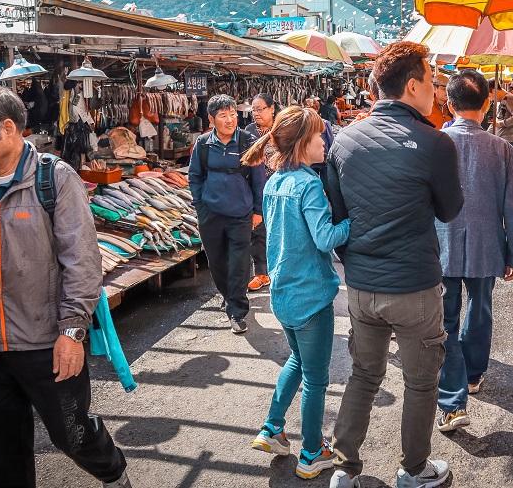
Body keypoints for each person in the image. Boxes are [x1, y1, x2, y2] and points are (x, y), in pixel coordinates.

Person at [0, 85, 130, 488]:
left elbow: (82, 260)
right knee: (1, 447)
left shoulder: (54, 179)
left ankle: (113, 472)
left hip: (47, 341)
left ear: (7, 128)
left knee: (72, 434)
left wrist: (71, 331)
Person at [326, 41, 464, 488]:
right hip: (414, 286)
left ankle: (344, 469)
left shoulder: (344, 140)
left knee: (363, 374)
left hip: (362, 286)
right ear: (411, 86)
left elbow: (336, 214)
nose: (437, 90)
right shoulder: (434, 141)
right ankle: (413, 469)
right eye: (431, 80)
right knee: (421, 382)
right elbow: (449, 209)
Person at [242, 106, 350, 479]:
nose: (325, 140)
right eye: (320, 135)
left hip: (283, 294)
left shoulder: (274, 182)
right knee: (316, 380)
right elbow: (326, 239)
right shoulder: (308, 185)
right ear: (304, 143)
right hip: (312, 297)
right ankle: (310, 452)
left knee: (297, 361)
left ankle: (272, 428)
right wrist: (355, 219)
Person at [434, 70, 513, 432]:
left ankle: (452, 400)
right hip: (488, 244)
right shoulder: (502, 148)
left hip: (441, 243)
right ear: (487, 104)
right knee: (480, 309)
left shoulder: (435, 143)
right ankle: (472, 375)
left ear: (449, 104)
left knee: (446, 320)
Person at [189, 94, 266, 335]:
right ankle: (229, 295)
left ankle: (237, 310)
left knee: (240, 263)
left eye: (233, 114)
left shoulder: (247, 141)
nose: (230, 119)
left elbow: (258, 179)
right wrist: (200, 204)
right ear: (211, 119)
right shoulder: (202, 144)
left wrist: (257, 211)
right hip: (210, 213)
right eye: (223, 115)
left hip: (241, 213)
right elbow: (195, 177)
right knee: (217, 262)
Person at [245, 93, 276, 292]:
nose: (256, 114)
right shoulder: (248, 132)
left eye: (260, 109)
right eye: (253, 110)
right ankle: (261, 273)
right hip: (258, 188)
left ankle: (279, 269)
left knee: (278, 230)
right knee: (258, 231)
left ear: (272, 108)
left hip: (280, 186)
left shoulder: (283, 128)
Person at [486, 79, 513, 151]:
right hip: (504, 140)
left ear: (494, 91)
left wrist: (501, 124)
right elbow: (498, 120)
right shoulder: (502, 100)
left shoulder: (509, 98)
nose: (490, 99)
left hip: (511, 141)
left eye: (489, 95)